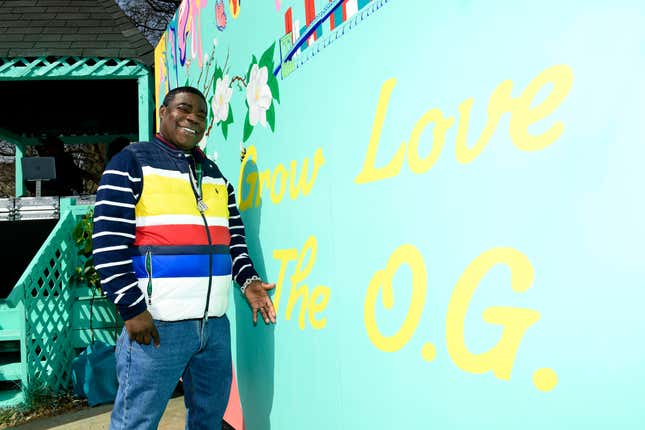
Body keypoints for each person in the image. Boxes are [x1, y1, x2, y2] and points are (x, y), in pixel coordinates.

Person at [92, 86, 276, 430]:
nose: (193, 117)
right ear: (163, 112)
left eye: (202, 114)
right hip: (157, 325)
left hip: (214, 328)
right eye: (183, 108)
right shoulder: (131, 162)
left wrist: (248, 281)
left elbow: (233, 239)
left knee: (208, 421)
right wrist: (131, 309)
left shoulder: (216, 176)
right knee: (136, 422)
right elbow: (107, 243)